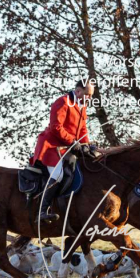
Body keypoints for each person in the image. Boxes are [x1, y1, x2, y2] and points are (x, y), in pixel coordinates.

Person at [30, 78, 98, 225]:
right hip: (52, 146)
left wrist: (86, 144)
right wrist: (73, 141)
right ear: (78, 91)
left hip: (68, 147)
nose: (90, 98)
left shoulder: (82, 106)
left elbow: (83, 130)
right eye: (88, 94)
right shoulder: (63, 101)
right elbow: (55, 127)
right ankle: (41, 211)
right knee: (58, 174)